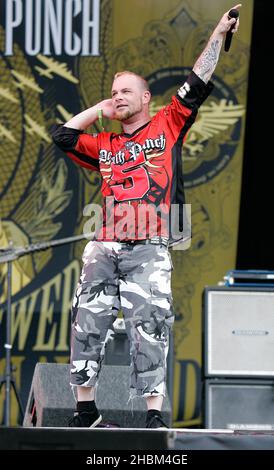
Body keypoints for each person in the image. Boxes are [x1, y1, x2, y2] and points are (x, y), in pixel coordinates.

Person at [52, 4, 241, 428]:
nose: (118, 96)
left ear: (145, 98)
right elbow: (63, 136)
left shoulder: (168, 124)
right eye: (113, 91)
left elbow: (198, 80)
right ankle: (85, 411)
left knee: (150, 326)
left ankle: (153, 416)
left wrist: (218, 32)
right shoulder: (105, 144)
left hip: (150, 248)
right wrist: (100, 109)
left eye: (125, 92)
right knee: (87, 321)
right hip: (104, 244)